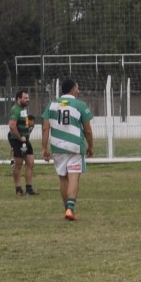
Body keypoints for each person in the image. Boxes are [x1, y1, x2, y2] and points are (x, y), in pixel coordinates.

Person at [40, 78, 94, 221]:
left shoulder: (51, 105)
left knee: (63, 178)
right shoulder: (80, 105)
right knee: (74, 177)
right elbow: (88, 130)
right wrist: (90, 146)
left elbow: (45, 128)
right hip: (75, 146)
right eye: (77, 88)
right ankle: (71, 209)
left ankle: (67, 209)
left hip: (57, 147)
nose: (79, 90)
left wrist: (44, 148)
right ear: (72, 89)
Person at [8, 89, 38, 196]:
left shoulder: (23, 109)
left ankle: (29, 189)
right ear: (19, 99)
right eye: (25, 98)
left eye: (28, 98)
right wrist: (20, 138)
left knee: (30, 162)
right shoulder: (16, 110)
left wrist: (28, 125)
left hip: (26, 140)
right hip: (17, 140)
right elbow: (12, 126)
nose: (28, 99)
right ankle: (18, 189)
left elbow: (23, 122)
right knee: (18, 164)